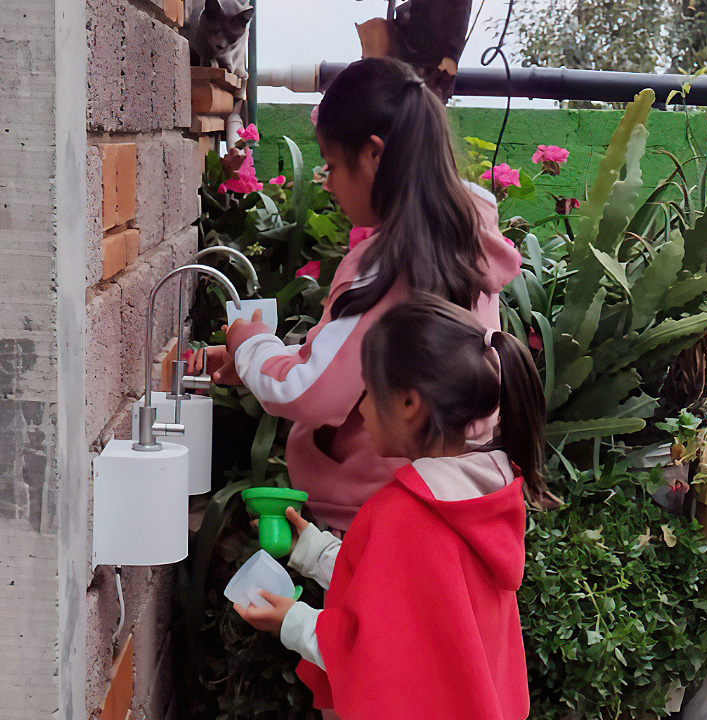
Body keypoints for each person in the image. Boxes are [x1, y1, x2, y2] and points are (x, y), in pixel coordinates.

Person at [198, 56, 522, 533]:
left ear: (374, 155)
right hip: (444, 497)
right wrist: (256, 364)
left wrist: (250, 343)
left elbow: (308, 390)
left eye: (331, 165)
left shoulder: (386, 266)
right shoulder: (460, 237)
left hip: (375, 514)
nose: (326, 183)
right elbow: (358, 367)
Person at [234, 295, 550, 720]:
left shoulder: (402, 512)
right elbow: (400, 592)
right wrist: (312, 549)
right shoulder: (483, 495)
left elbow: (374, 653)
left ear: (408, 403)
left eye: (367, 390)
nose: (360, 408)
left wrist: (291, 620)